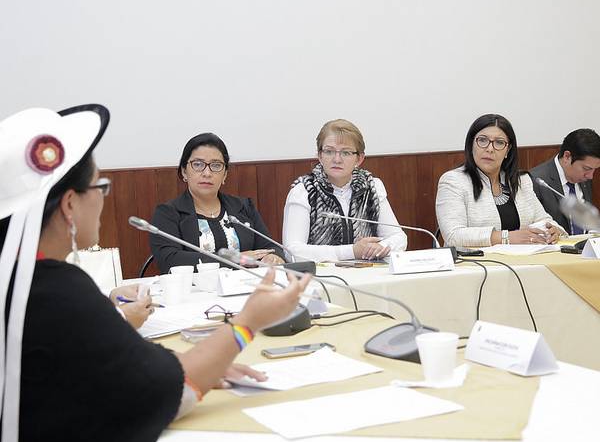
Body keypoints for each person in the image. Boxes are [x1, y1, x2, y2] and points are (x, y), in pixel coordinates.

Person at [0, 105, 310, 442]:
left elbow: (111, 365)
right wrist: (247, 324)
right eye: (100, 187)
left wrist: (200, 360)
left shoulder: (23, 279)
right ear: (69, 205)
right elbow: (169, 392)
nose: (103, 198)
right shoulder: (61, 292)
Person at [151, 133, 285, 273]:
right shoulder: (167, 213)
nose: (207, 173)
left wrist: (273, 257)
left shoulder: (243, 207)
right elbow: (170, 260)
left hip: (245, 285)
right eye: (198, 164)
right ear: (184, 172)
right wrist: (234, 259)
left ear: (224, 174)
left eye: (216, 165)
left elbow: (271, 247)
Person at [282, 119, 407, 261]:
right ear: (320, 156)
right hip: (321, 274)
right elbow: (292, 251)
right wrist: (351, 251)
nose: (337, 159)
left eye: (346, 153)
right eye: (329, 151)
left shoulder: (372, 187)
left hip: (368, 271)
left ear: (359, 159)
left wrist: (380, 247)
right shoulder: (304, 191)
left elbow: (399, 237)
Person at [435, 113, 566, 247]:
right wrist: (507, 237)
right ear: (471, 144)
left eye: (499, 142)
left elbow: (543, 220)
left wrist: (553, 230)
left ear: (507, 150)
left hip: (522, 258)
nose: (490, 149)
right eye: (482, 140)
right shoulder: (453, 181)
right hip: (473, 259)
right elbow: (453, 235)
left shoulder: (521, 181)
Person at [530, 128, 600, 234]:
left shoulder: (584, 178)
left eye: (595, 169)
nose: (591, 176)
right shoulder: (536, 181)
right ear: (567, 157)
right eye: (586, 168)